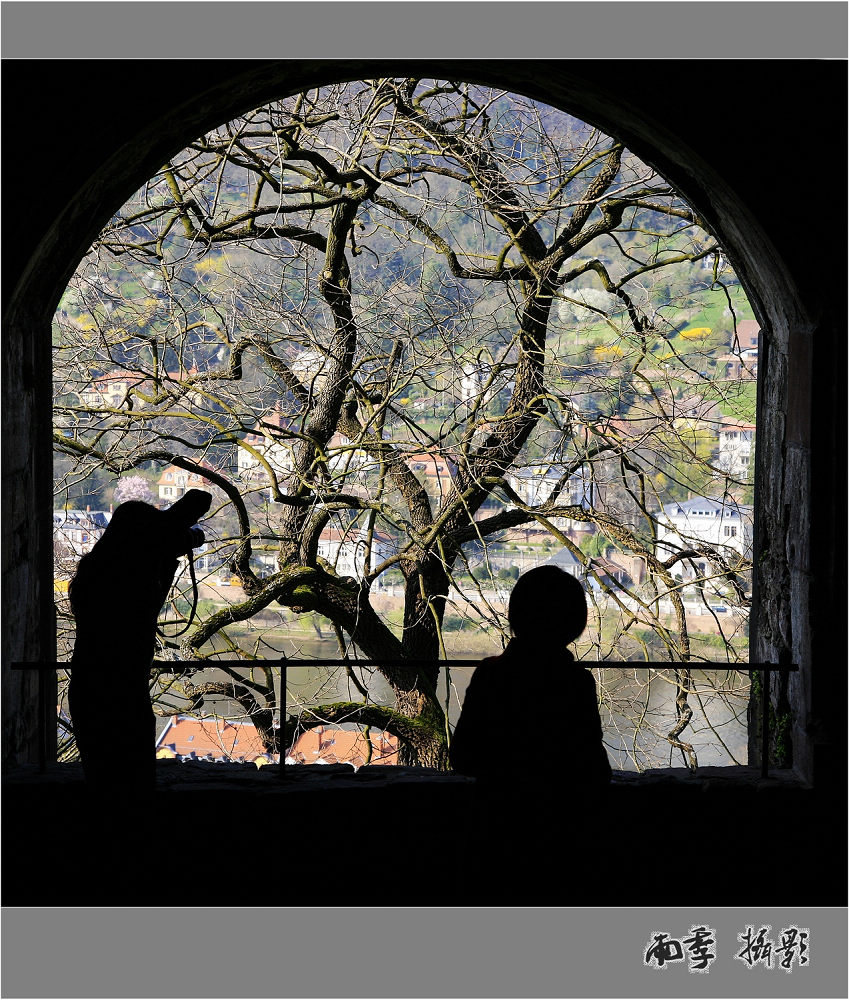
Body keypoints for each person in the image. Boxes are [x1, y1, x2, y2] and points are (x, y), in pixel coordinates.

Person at [68, 489, 211, 792]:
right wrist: (174, 545)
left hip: (88, 687)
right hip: (126, 689)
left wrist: (165, 537)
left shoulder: (92, 574)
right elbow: (200, 500)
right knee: (135, 778)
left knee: (101, 778)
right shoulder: (138, 584)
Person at [450, 565, 611, 785]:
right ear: (576, 624)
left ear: (515, 615)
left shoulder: (490, 675)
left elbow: (462, 757)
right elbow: (595, 767)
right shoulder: (576, 682)